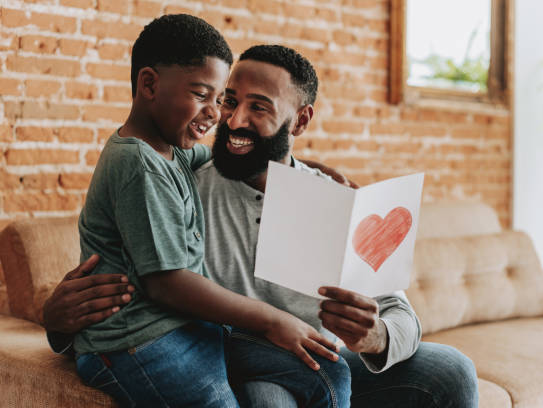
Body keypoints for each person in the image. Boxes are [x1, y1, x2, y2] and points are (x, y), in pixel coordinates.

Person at [44, 43, 480, 407]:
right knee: (270, 397)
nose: (233, 120)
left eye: (259, 108)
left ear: (301, 120)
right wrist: (58, 323)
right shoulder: (182, 185)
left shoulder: (336, 201)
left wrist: (376, 337)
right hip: (233, 359)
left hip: (319, 357)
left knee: (452, 372)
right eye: (230, 100)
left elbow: (400, 313)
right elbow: (130, 284)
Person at [72, 15, 349, 408]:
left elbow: (242, 154)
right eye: (204, 95)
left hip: (185, 330)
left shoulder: (173, 153)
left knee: (328, 371)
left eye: (219, 99)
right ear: (149, 84)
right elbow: (167, 283)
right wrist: (273, 319)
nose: (218, 114)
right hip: (139, 342)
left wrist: (314, 170)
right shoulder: (138, 163)